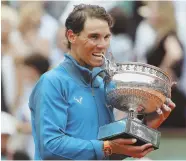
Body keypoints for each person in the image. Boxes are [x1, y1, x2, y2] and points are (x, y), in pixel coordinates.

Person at [29, 4, 175, 160]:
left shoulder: (103, 85)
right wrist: (106, 147)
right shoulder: (52, 83)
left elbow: (108, 154)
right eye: (94, 37)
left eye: (106, 37)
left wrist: (145, 126)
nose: (102, 45)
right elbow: (50, 146)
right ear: (71, 36)